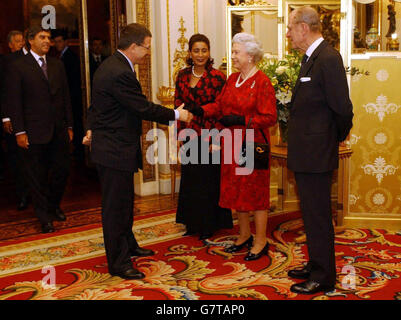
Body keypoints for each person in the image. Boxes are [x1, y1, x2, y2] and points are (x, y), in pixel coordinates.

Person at [82, 23, 192, 280]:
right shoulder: (120, 72)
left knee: (125, 203)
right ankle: (118, 263)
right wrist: (177, 114)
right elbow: (141, 108)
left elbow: (96, 107)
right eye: (146, 47)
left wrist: (91, 128)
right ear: (133, 47)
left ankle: (128, 244)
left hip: (115, 146)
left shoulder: (112, 65)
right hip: (114, 149)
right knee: (115, 208)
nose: (147, 53)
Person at [190, 33, 277, 261]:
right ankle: (244, 235)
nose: (233, 56)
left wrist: (241, 121)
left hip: (252, 145)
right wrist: (200, 110)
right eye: (233, 51)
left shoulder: (262, 82)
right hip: (231, 144)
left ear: (250, 55)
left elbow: (270, 117)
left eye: (237, 52)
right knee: (238, 191)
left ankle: (260, 241)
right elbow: (220, 106)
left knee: (255, 195)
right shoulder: (232, 79)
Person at [285, 6, 353, 295]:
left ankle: (323, 276)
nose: (287, 33)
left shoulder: (328, 58)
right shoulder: (310, 57)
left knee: (318, 216)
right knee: (311, 214)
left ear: (303, 27)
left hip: (317, 153)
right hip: (307, 152)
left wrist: (330, 140)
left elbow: (343, 109)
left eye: (290, 27)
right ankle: (315, 264)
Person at [5, 26, 73, 233]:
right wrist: (19, 132)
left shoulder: (57, 65)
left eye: (49, 38)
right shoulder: (18, 66)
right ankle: (44, 217)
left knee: (61, 171)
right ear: (30, 40)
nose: (47, 41)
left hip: (58, 130)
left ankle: (53, 205)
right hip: (33, 132)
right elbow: (14, 101)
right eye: (42, 37)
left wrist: (69, 125)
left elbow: (65, 98)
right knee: (37, 176)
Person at [174, 34, 233, 240]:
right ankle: (191, 223)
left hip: (210, 134)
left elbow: (221, 108)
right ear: (190, 53)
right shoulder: (181, 75)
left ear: (209, 53)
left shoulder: (218, 77)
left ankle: (209, 224)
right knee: (191, 179)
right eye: (196, 50)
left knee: (208, 180)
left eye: (204, 50)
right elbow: (177, 105)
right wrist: (180, 135)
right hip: (189, 134)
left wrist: (216, 140)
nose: (200, 55)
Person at [54, 33, 84, 161]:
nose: (57, 44)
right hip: (68, 98)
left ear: (66, 42)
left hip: (73, 97)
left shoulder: (70, 57)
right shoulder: (61, 56)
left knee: (75, 123)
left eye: (59, 41)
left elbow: (71, 81)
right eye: (55, 42)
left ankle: (79, 151)